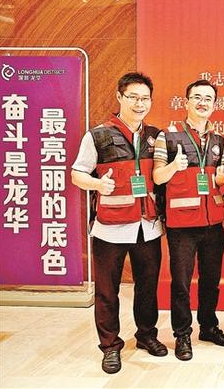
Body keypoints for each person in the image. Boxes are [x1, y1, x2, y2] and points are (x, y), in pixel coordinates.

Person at [71, 72, 166, 374]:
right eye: (133, 97)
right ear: (119, 97)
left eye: (145, 98)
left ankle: (146, 335)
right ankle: (110, 346)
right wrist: (98, 185)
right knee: (107, 291)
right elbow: (77, 174)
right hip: (110, 228)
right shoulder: (97, 136)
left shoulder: (156, 136)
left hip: (147, 226)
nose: (139, 104)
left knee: (147, 287)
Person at [152, 79, 224, 361]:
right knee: (182, 284)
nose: (202, 102)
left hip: (213, 222)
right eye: (197, 97)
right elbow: (157, 177)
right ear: (186, 102)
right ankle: (182, 334)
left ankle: (208, 327)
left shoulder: (219, 140)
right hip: (182, 225)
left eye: (208, 98)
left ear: (215, 105)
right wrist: (174, 166)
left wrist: (222, 178)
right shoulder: (168, 136)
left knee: (211, 280)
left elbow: (220, 181)